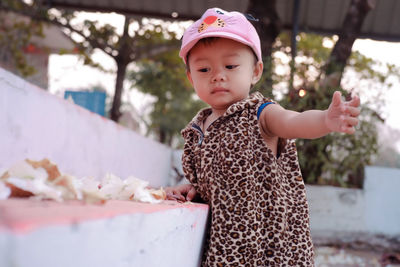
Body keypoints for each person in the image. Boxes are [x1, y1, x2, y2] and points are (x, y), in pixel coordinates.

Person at [165, 7, 360, 267]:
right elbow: (215, 181)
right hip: (225, 250)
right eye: (203, 69)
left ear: (255, 71)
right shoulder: (197, 129)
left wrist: (325, 120)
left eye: (231, 65)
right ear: (191, 77)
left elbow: (294, 122)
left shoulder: (260, 113)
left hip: (270, 249)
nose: (218, 75)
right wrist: (194, 190)